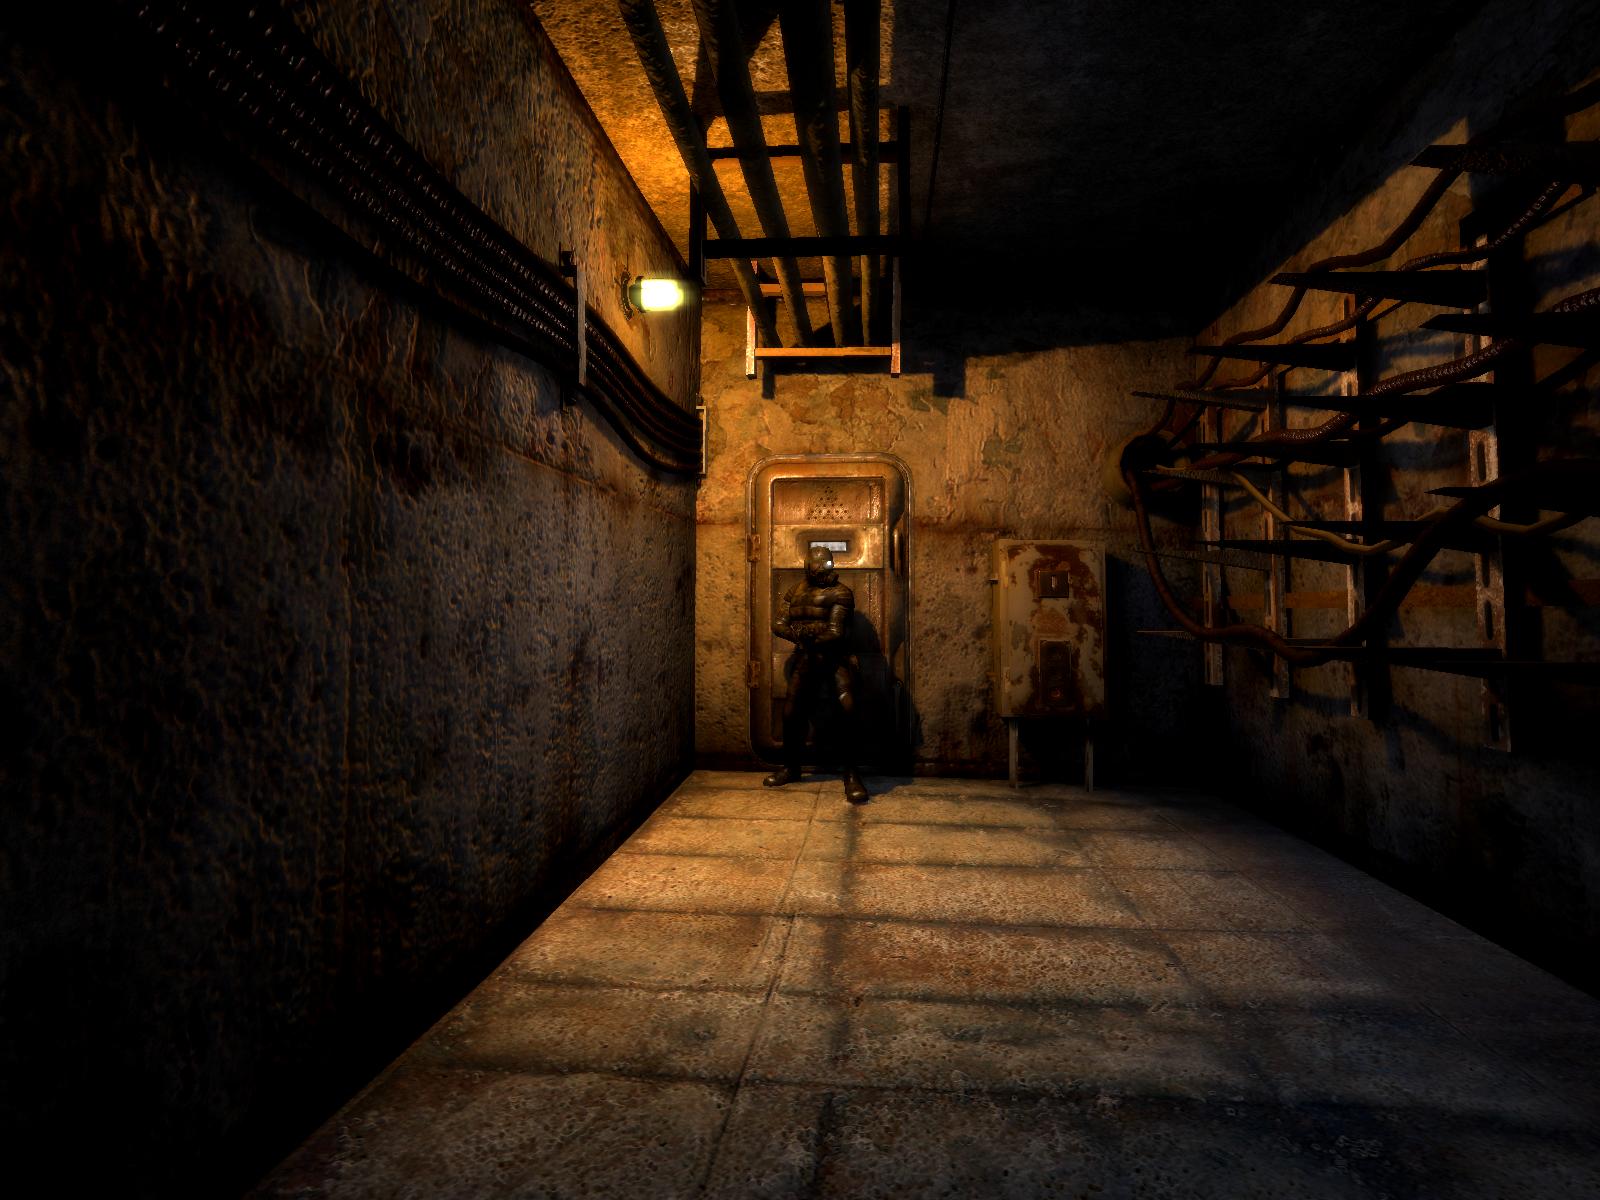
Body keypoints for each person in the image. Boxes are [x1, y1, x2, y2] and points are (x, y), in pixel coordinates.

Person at [764, 545, 869, 804]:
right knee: (790, 712)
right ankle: (792, 767)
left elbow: (835, 632)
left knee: (848, 708)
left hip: (834, 659)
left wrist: (806, 637)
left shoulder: (841, 592)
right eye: (818, 567)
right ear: (808, 567)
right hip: (806, 658)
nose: (823, 571)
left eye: (827, 565)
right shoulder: (795, 591)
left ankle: (852, 773)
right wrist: (798, 636)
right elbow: (778, 623)